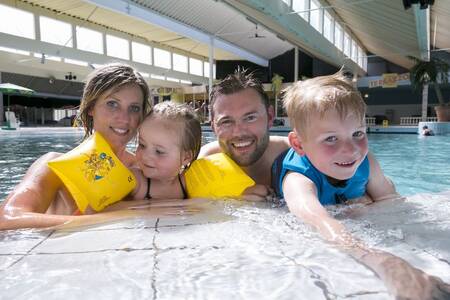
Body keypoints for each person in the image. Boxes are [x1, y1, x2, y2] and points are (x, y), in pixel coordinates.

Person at [273, 72, 450, 299]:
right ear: (299, 144)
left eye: (357, 133)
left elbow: (390, 200)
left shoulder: (366, 161)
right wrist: (387, 264)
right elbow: (322, 223)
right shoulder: (298, 180)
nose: (351, 150)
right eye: (330, 138)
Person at [0, 63, 151, 230]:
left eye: (134, 108)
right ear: (91, 107)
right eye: (112, 104)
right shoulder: (52, 167)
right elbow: (7, 219)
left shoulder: (145, 170)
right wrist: (110, 218)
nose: (124, 118)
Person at [199, 68, 290, 198]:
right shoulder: (203, 162)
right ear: (213, 127)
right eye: (226, 121)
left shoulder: (294, 154)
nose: (239, 132)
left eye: (250, 118)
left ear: (270, 117)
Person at [130, 101, 201, 200]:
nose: (145, 156)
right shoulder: (136, 181)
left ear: (186, 157)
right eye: (142, 145)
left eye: (159, 151)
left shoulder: (187, 183)